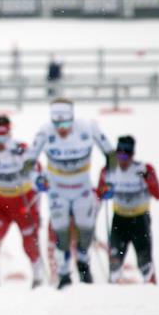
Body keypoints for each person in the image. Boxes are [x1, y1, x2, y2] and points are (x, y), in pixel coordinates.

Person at [25, 98, 114, 289]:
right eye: (57, 124)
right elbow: (28, 162)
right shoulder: (45, 132)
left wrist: (110, 181)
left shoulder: (88, 128)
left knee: (85, 230)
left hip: (82, 189)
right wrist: (37, 179)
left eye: (65, 123)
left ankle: (83, 263)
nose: (61, 129)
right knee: (62, 234)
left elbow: (111, 155)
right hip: (58, 191)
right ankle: (64, 274)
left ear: (72, 119)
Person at [0, 115, 44, 288]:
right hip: (1, 202)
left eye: (2, 135)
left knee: (29, 241)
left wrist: (29, 171)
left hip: (23, 201)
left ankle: (38, 276)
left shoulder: (20, 148)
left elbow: (37, 170)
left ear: (9, 133)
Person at [96, 135, 159, 284]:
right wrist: (103, 191)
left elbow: (158, 194)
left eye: (127, 154)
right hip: (119, 220)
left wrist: (148, 178)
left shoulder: (142, 169)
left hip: (140, 220)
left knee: (145, 263)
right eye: (119, 154)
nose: (123, 159)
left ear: (133, 155)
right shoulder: (109, 171)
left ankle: (151, 290)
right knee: (115, 262)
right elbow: (99, 193)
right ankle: (111, 295)